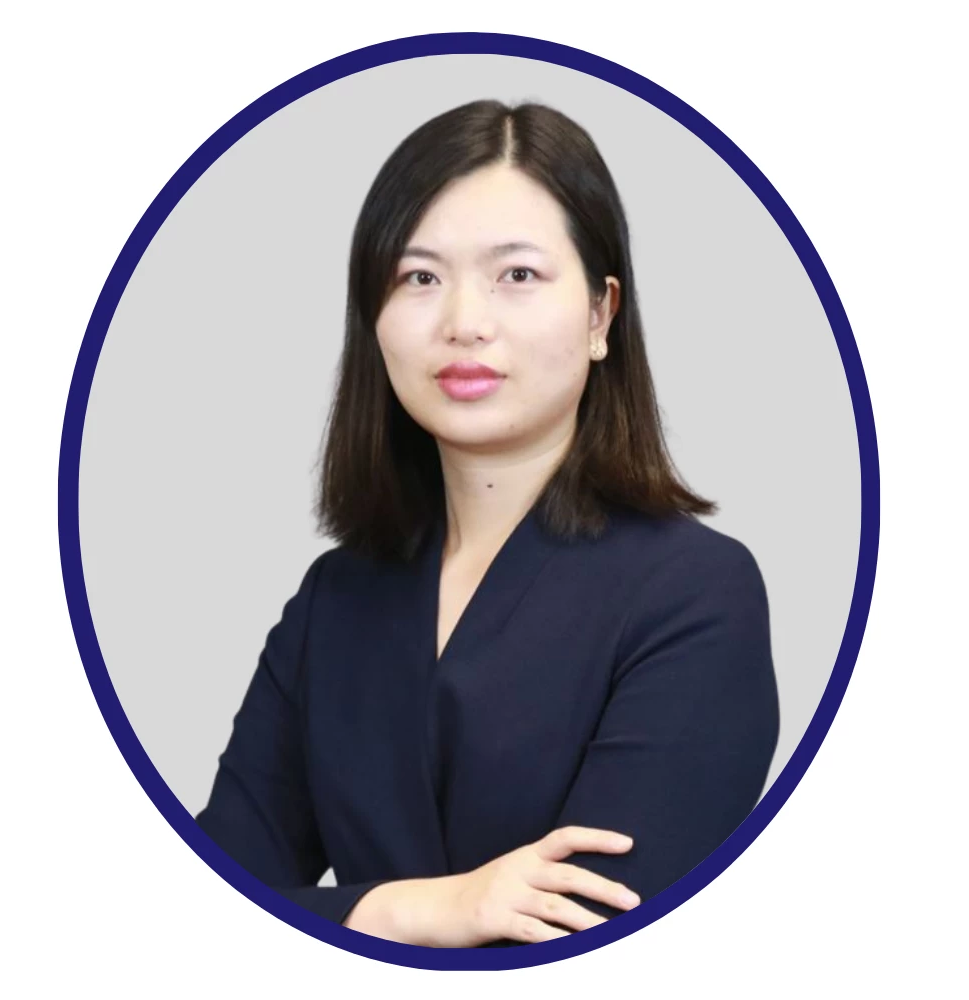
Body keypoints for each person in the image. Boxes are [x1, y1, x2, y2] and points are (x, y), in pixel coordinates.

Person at [195, 99, 779, 948]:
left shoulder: (696, 594)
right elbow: (202, 904)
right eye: (419, 277)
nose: (463, 321)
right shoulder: (336, 600)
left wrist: (339, 918)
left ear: (600, 315)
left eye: (517, 275)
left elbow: (595, 939)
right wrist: (426, 910)